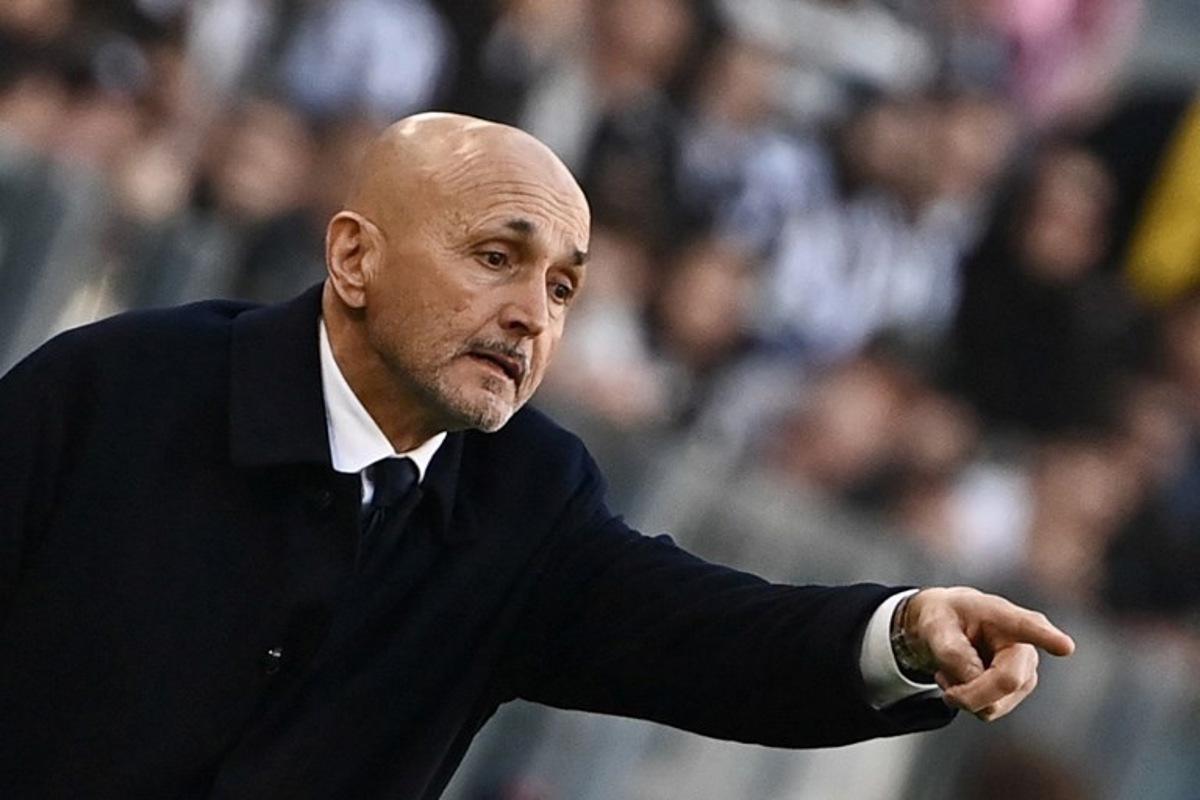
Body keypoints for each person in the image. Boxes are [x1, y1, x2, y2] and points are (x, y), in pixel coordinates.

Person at [0, 113, 1074, 799]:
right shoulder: (122, 386)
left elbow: (713, 638)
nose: (530, 316)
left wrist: (907, 633)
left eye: (562, 287)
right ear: (352, 256)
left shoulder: (528, 499)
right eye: (496, 257)